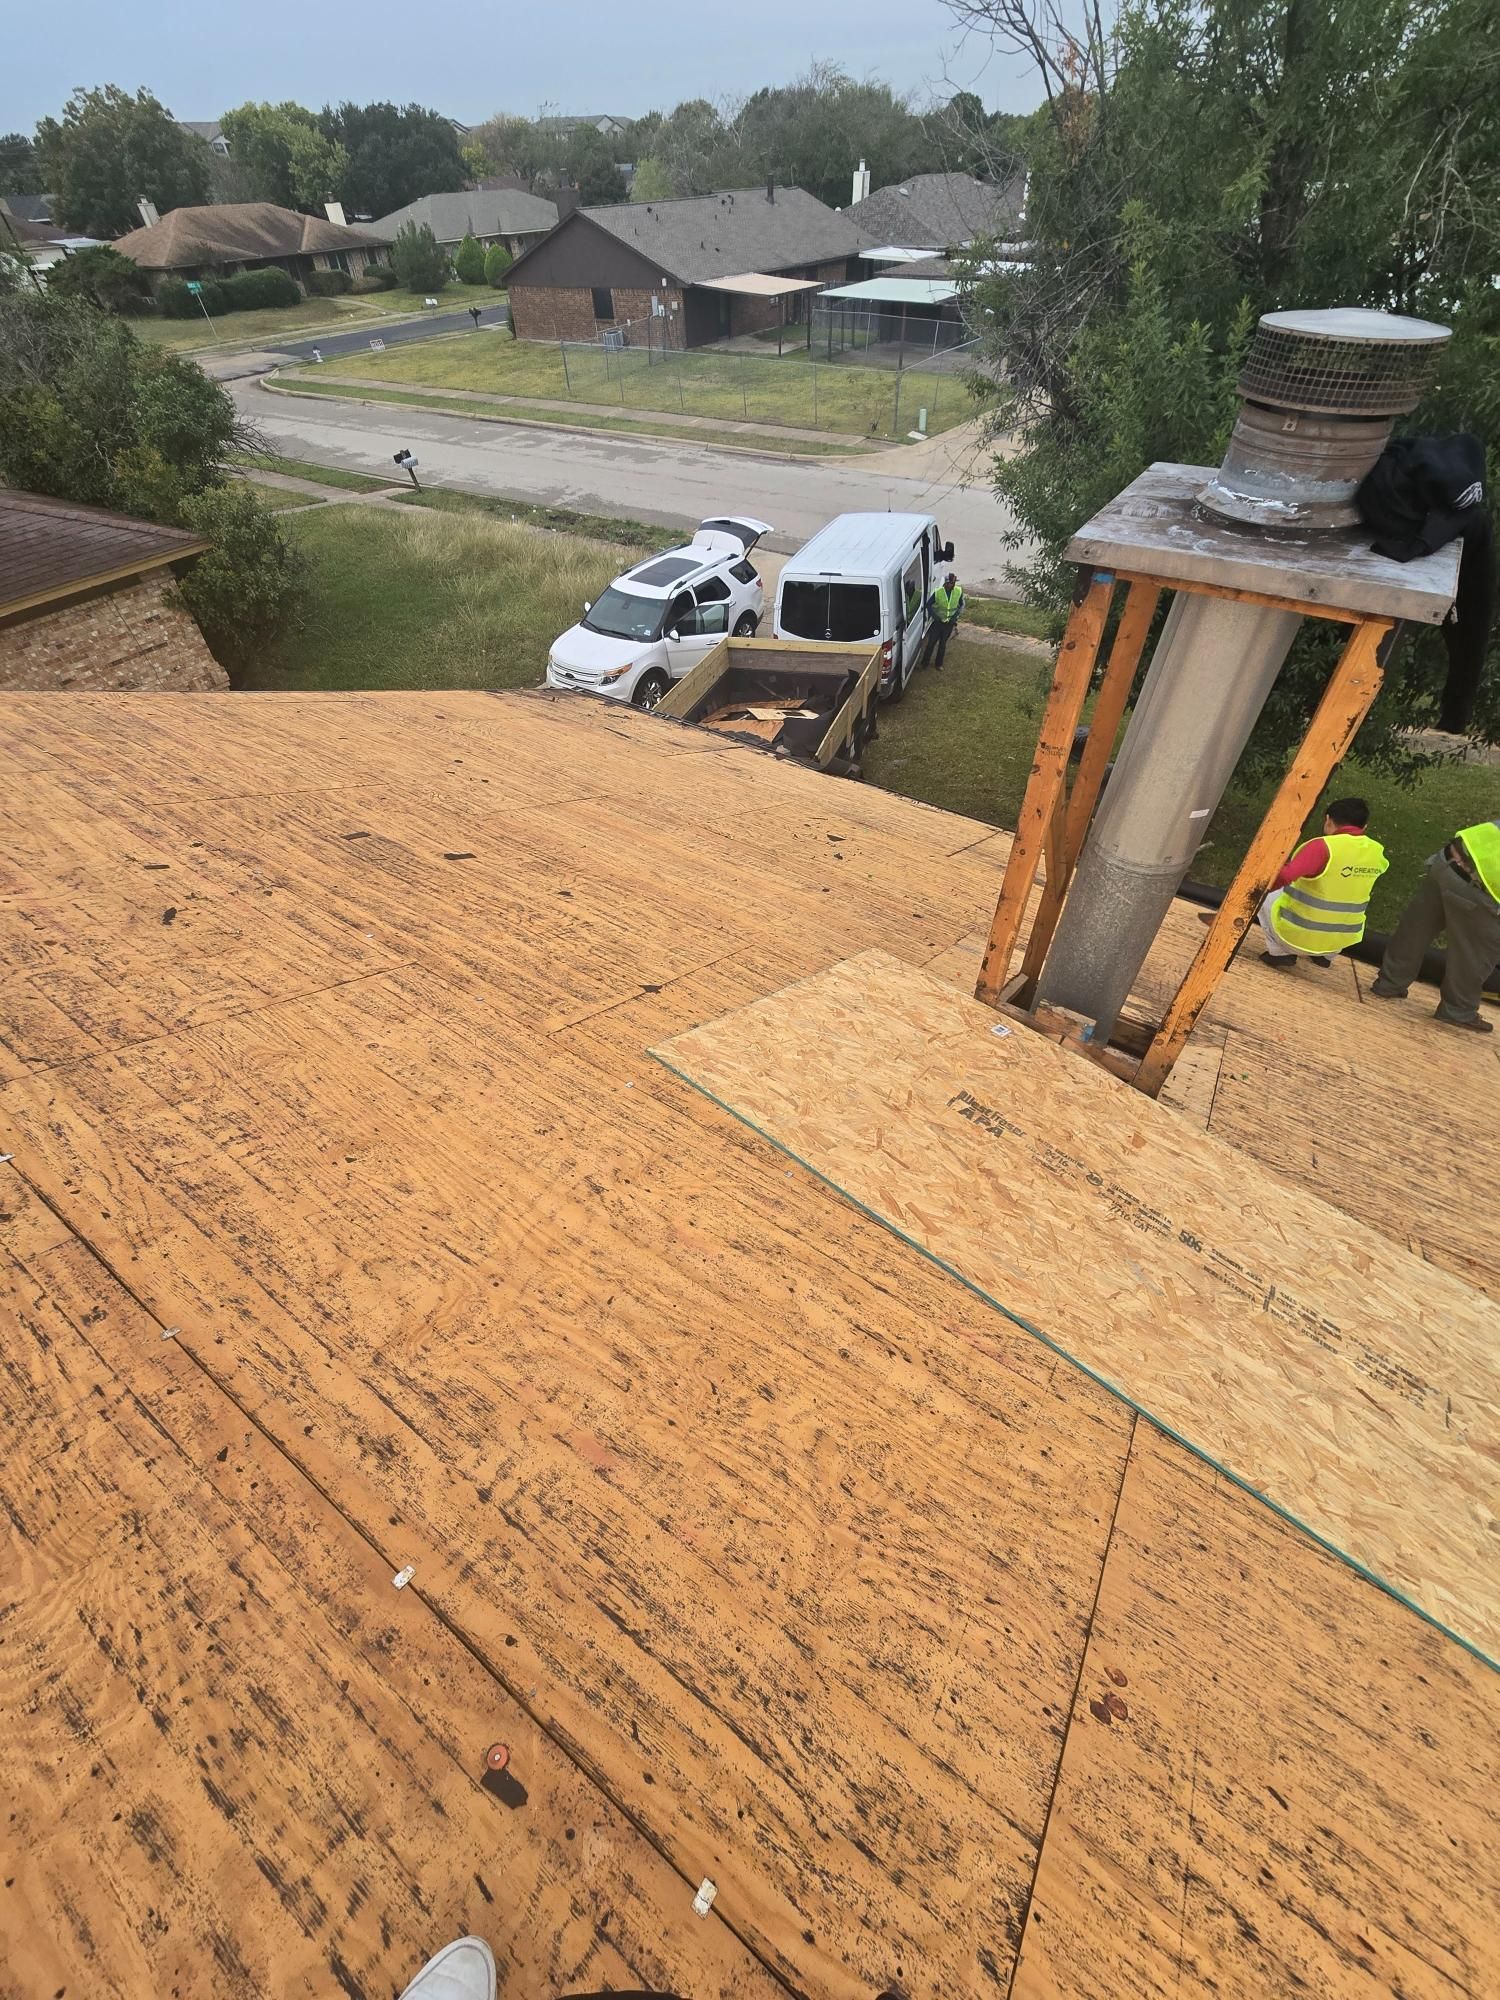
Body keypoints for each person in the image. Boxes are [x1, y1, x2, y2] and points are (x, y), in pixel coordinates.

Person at [1370, 817, 1500, 1034]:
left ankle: (1389, 984)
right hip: (1478, 889)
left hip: (1447, 861)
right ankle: (1458, 1011)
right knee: (1474, 954)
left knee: (1415, 930)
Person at [1257, 797, 1388, 971]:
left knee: (1265, 894)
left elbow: (1285, 876)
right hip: (1340, 940)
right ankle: (1325, 957)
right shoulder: (1376, 852)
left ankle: (1280, 954)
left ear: (1328, 820)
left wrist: (1254, 893)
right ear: (1364, 827)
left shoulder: (1322, 847)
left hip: (1297, 936)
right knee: (1347, 895)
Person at [925, 571, 964, 671]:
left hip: (949, 623)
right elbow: (928, 604)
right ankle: (924, 663)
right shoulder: (938, 592)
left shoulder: (958, 591)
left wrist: (955, 616)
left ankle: (938, 664)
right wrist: (934, 616)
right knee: (931, 643)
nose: (950, 585)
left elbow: (961, 605)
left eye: (952, 583)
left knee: (943, 644)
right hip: (937, 622)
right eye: (949, 583)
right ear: (945, 583)